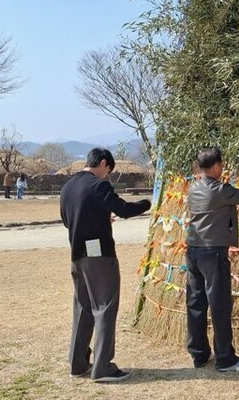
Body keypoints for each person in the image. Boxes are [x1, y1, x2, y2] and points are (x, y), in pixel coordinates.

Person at [60, 148, 151, 383]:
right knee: (105, 308)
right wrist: (147, 203)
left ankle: (77, 363)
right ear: (102, 163)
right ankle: (103, 368)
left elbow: (68, 219)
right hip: (100, 256)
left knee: (83, 308)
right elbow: (123, 209)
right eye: (107, 171)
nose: (106, 176)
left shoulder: (68, 187)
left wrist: (98, 218)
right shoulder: (99, 185)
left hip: (77, 255)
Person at [185, 147, 239, 372]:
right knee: (219, 304)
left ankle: (198, 354)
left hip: (193, 251)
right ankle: (225, 358)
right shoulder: (218, 189)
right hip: (212, 253)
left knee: (196, 302)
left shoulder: (193, 187)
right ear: (216, 166)